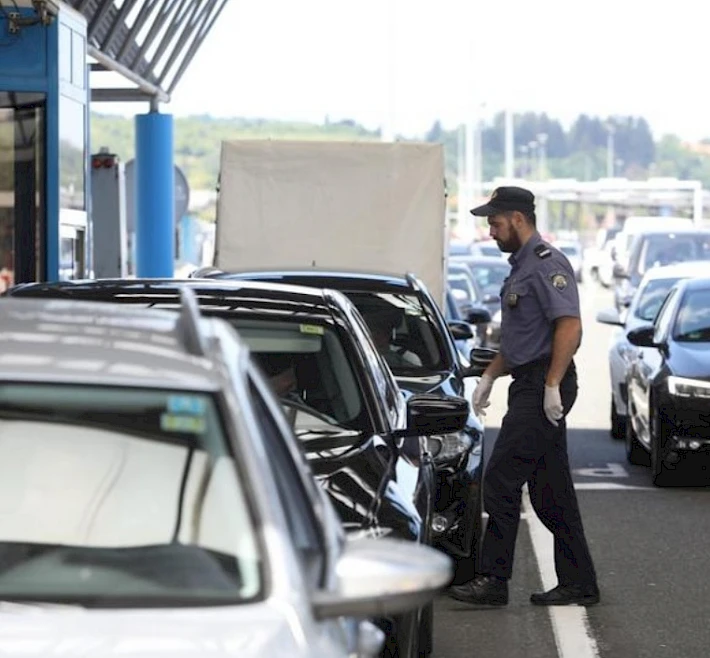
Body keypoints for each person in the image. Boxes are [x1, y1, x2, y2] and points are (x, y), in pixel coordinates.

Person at [449, 186, 599, 607]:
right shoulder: (520, 267)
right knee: (551, 493)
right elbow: (521, 341)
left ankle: (494, 580)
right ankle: (579, 582)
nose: (491, 231)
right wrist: (490, 377)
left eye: (495, 223)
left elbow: (569, 326)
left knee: (500, 479)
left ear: (517, 219)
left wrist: (552, 384)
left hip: (542, 388)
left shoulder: (547, 264)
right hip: (529, 384)